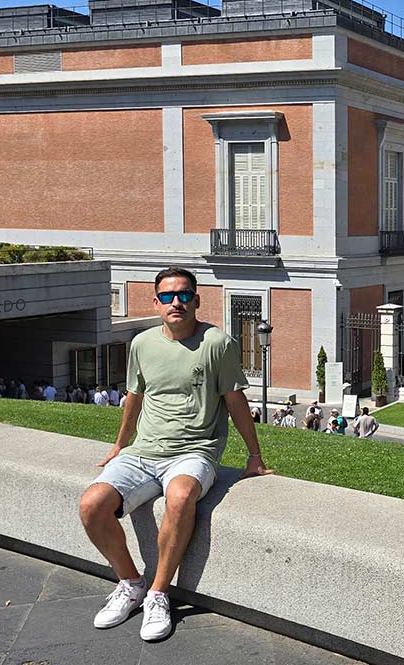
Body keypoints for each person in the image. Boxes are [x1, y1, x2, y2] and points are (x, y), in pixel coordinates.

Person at [78, 267, 273, 643]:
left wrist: (254, 455)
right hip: (144, 451)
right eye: (167, 296)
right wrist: (121, 444)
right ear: (156, 303)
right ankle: (131, 583)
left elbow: (235, 400)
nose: (176, 302)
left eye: (184, 295)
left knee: (181, 497)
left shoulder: (217, 344)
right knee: (91, 505)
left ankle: (158, 594)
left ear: (197, 300)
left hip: (195, 451)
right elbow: (134, 397)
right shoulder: (142, 344)